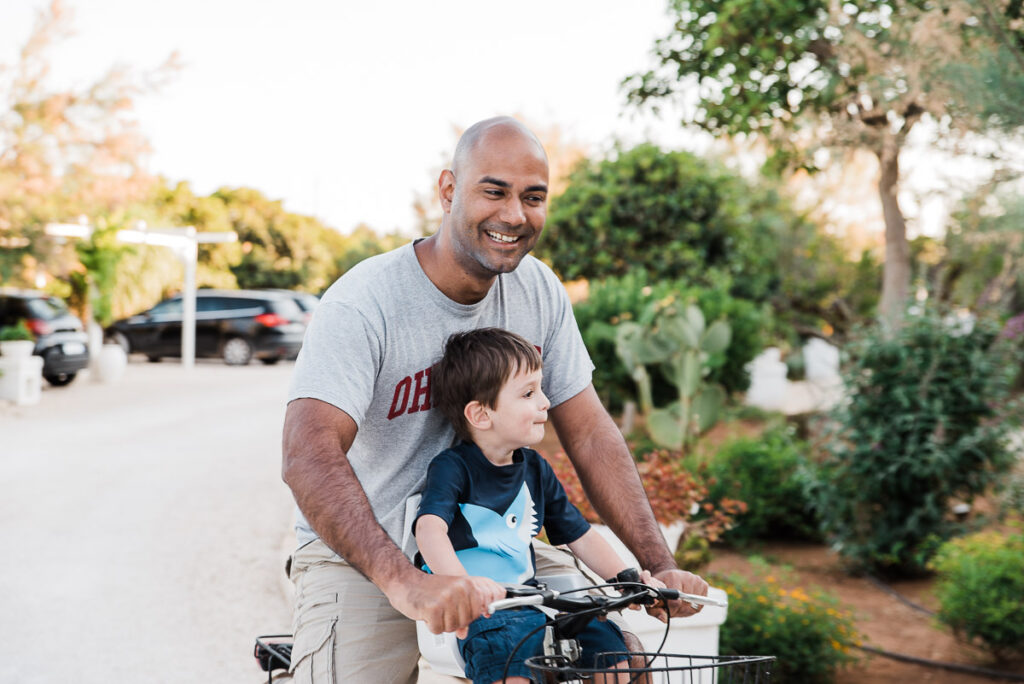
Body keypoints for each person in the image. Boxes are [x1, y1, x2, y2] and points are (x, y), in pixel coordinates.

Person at [281, 115, 709, 683]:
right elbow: (307, 453)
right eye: (494, 190)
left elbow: (588, 431)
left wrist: (656, 567)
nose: (514, 215)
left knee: (621, 662)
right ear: (448, 190)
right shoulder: (365, 303)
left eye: (533, 197)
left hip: (496, 548)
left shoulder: (538, 290)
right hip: (367, 554)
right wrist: (407, 581)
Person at [415, 327, 665, 684]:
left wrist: (624, 579)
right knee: (510, 653)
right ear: (481, 415)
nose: (545, 401)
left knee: (610, 649)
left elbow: (579, 535)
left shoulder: (535, 468)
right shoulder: (453, 466)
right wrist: (461, 587)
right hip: (485, 614)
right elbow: (429, 528)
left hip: (533, 605)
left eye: (541, 389)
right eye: (529, 393)